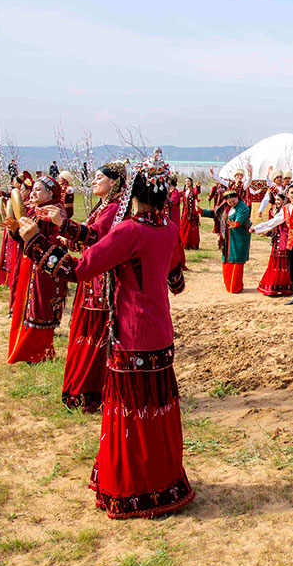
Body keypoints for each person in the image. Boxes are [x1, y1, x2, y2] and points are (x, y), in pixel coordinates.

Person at [18, 149, 192, 520]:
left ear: (133, 193)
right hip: (160, 333)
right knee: (157, 410)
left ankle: (134, 488)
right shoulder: (169, 229)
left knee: (131, 411)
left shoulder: (130, 230)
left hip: (130, 334)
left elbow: (79, 269)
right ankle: (164, 482)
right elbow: (175, 278)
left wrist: (35, 243)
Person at [55, 162, 127, 410]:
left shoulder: (115, 208)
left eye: (99, 178)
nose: (94, 181)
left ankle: (91, 391)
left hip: (101, 284)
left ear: (114, 182)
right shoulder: (103, 207)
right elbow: (90, 243)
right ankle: (85, 389)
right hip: (91, 280)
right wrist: (70, 239)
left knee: (95, 336)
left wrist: (65, 225)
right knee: (87, 335)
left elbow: (97, 236)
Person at [7, 176, 68, 364]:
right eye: (33, 189)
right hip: (30, 264)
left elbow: (58, 241)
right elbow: (24, 238)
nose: (33, 193)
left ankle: (38, 352)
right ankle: (24, 349)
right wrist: (14, 230)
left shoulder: (55, 212)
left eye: (38, 190)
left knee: (40, 307)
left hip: (45, 267)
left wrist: (37, 241)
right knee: (26, 305)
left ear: (50, 193)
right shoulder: (35, 211)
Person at [201, 189, 251, 293]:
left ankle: (236, 286)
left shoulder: (243, 207)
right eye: (229, 202)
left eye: (234, 201)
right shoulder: (225, 207)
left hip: (239, 238)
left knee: (237, 261)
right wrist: (202, 212)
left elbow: (240, 218)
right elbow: (215, 213)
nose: (232, 203)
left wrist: (236, 223)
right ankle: (230, 284)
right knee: (227, 260)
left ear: (237, 198)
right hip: (227, 239)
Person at [253, 191, 292, 297]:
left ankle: (282, 286)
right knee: (277, 262)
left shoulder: (286, 211)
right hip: (278, 239)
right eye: (275, 200)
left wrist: (258, 228)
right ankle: (275, 285)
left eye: (279, 200)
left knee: (282, 262)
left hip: (284, 239)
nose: (277, 202)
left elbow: (275, 223)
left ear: (284, 200)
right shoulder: (277, 210)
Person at [179, 177, 201, 251]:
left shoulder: (193, 190)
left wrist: (198, 187)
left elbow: (197, 192)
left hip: (192, 212)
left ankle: (193, 244)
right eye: (186, 181)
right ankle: (185, 242)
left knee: (192, 228)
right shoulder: (184, 191)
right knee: (184, 226)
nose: (187, 182)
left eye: (188, 181)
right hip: (185, 212)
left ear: (191, 182)